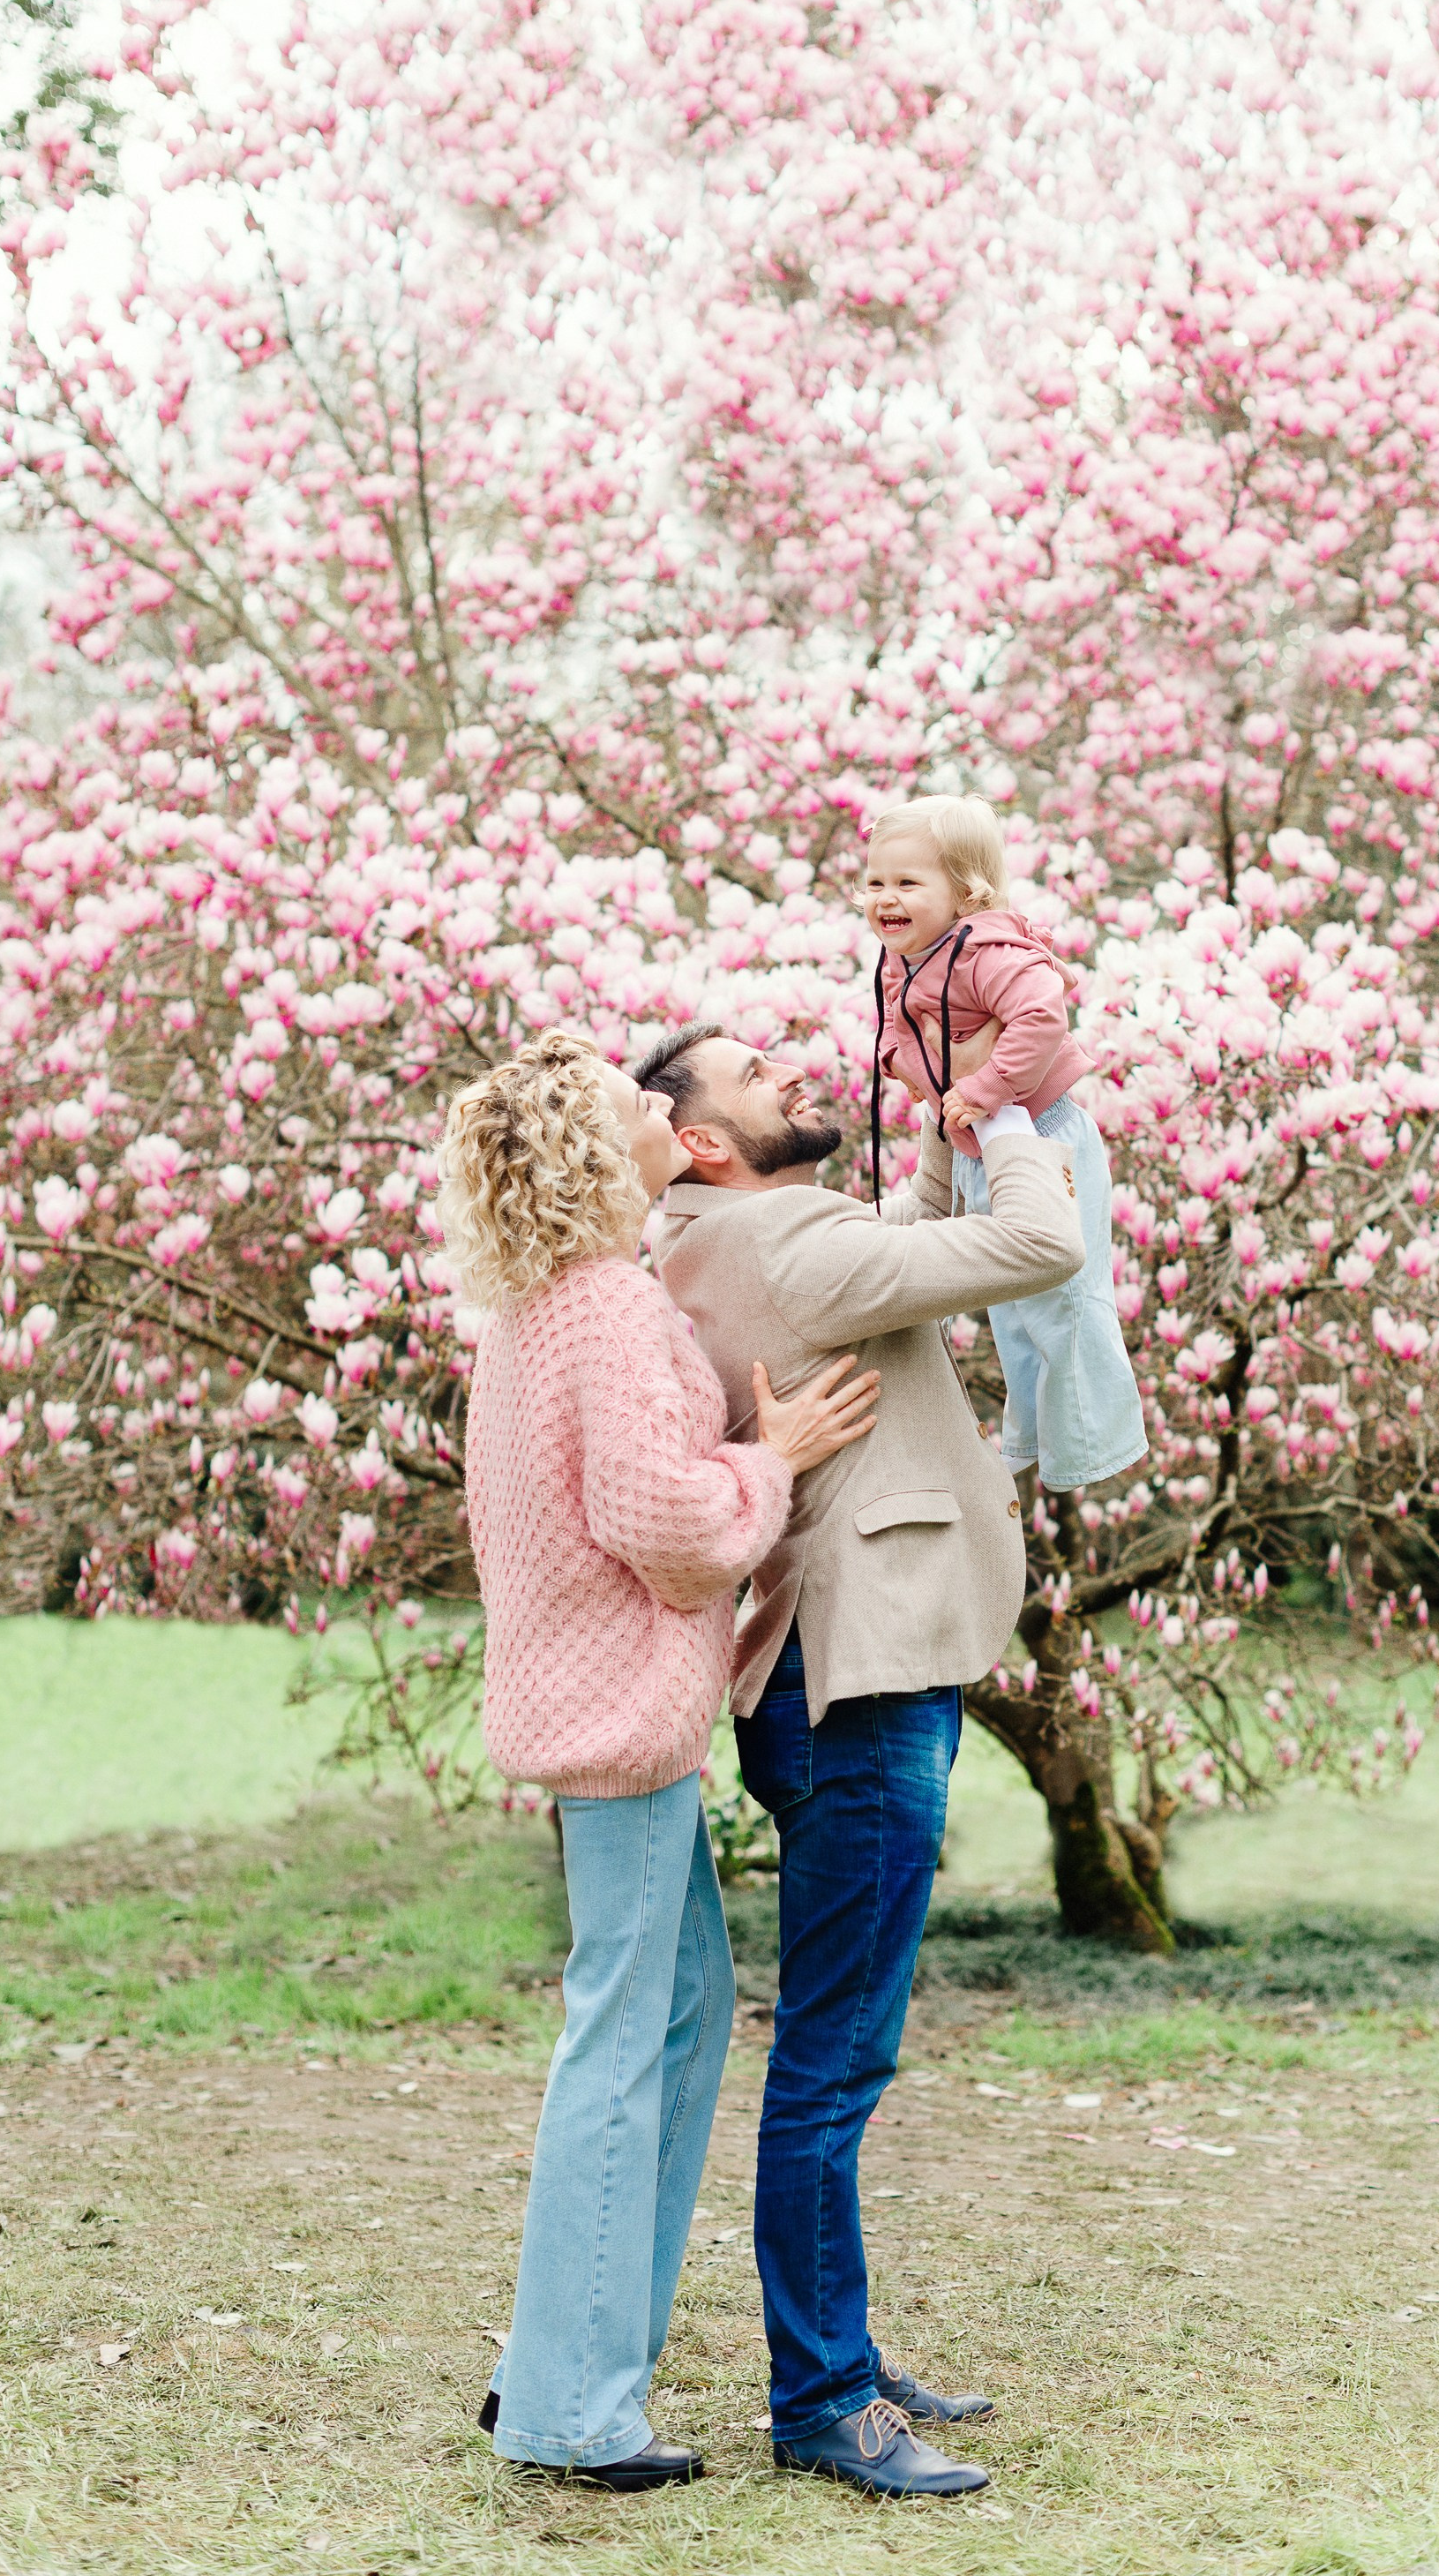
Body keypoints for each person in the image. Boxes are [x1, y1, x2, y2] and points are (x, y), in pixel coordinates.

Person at [631, 1020, 1085, 2499]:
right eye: (755, 1078)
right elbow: (1036, 1244)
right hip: (861, 1685)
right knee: (833, 2064)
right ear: (704, 1140)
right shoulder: (794, 1246)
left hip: (831, 1678)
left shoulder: (711, 1242)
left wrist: (946, 1141)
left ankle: (840, 2347)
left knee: (836, 2055)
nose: (794, 1078)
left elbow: (916, 1247)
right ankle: (821, 2398)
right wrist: (1010, 1121)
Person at [442, 1030, 879, 2493]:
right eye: (631, 1104)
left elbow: (612, 1491)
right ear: (588, 1150)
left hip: (591, 1722)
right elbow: (671, 1528)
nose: (658, 1106)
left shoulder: (541, 1314)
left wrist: (737, 1436)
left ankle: (555, 2370)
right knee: (628, 2041)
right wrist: (782, 1453)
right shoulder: (613, 1311)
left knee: (674, 2011)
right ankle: (574, 2407)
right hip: (619, 1729)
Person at [866, 792, 1147, 1495]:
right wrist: (901, 1061)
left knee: (1065, 1300)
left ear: (966, 892)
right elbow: (898, 1025)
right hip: (980, 1148)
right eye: (875, 883)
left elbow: (1042, 1013)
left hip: (1041, 1135)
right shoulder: (908, 957)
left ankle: (1092, 1448)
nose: (885, 899)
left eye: (907, 882)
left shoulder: (984, 953)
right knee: (1013, 1305)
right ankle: (1033, 1436)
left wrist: (985, 1085)